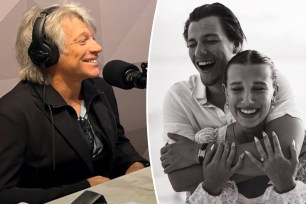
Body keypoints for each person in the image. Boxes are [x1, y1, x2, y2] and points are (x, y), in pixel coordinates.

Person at [0, 2, 148, 203]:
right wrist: (83, 188)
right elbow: (4, 193)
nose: (97, 47)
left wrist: (134, 164)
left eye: (93, 39)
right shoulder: (12, 113)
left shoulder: (100, 89)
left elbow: (118, 143)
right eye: (82, 41)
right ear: (46, 53)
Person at [160, 2, 304, 198]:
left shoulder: (269, 81)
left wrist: (197, 154)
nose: (199, 52)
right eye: (192, 44)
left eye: (210, 41)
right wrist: (266, 165)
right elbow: (179, 180)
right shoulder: (178, 97)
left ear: (236, 44)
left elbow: (285, 155)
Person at [186, 50, 306, 203]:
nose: (248, 99)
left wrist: (287, 187)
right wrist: (210, 188)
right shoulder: (209, 141)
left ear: (274, 93)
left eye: (258, 88)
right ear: (226, 93)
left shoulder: (297, 150)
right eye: (237, 89)